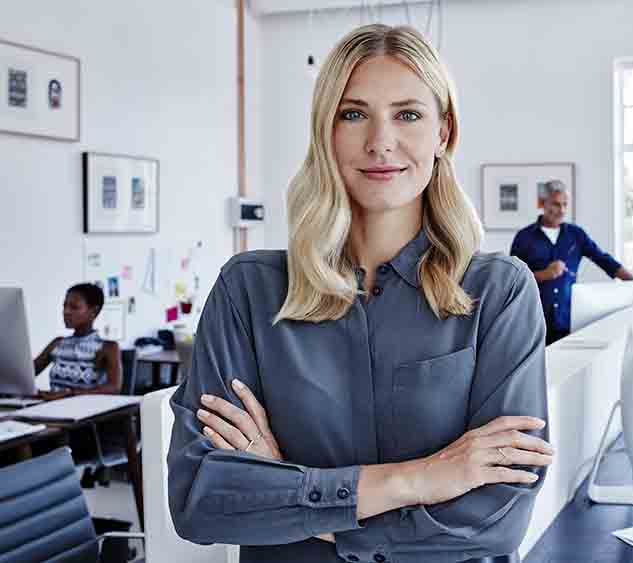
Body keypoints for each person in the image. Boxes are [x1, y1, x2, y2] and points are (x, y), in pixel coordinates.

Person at [167, 24, 552, 563]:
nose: (380, 141)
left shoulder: (499, 292)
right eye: (353, 114)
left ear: (443, 134)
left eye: (408, 114)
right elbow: (200, 500)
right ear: (325, 132)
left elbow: (497, 518)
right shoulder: (248, 291)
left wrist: (291, 494)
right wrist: (421, 478)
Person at [509, 180, 633, 345]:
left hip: (569, 322)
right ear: (542, 203)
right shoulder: (524, 237)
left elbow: (604, 260)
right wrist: (543, 275)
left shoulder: (576, 235)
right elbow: (512, 280)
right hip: (533, 323)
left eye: (565, 204)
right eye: (556, 204)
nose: (562, 210)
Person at [33, 282, 122, 399]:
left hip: (86, 408)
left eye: (74, 307)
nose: (66, 312)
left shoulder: (107, 347)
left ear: (94, 311)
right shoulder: (58, 343)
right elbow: (27, 374)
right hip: (52, 406)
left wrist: (70, 394)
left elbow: (114, 387)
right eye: (64, 306)